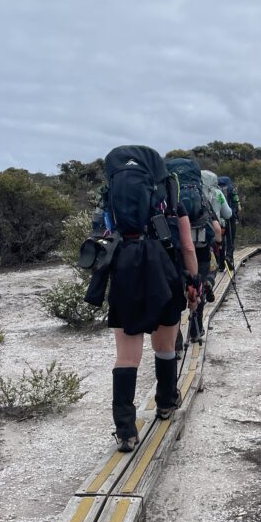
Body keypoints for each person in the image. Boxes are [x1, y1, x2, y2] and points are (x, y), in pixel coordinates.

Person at [103, 146, 201, 452]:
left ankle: (125, 429)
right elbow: (187, 246)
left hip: (125, 274)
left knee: (127, 356)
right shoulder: (172, 201)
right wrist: (194, 282)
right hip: (165, 276)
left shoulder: (114, 201)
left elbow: (105, 234)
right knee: (165, 347)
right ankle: (165, 403)